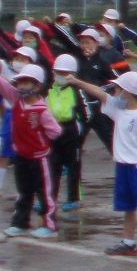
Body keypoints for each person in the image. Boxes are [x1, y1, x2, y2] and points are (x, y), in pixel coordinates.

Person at [72, 70, 137, 259]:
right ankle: (128, 242)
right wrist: (77, 81)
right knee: (128, 206)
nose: (115, 90)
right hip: (123, 166)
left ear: (128, 91)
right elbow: (100, 93)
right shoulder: (119, 108)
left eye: (119, 87)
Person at [0, 58, 61, 238]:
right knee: (23, 192)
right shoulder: (16, 100)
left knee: (45, 193)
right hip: (21, 156)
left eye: (26, 82)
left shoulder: (41, 110)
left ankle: (50, 224)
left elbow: (55, 131)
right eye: (20, 82)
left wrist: (40, 140)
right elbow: (3, 86)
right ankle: (20, 223)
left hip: (39, 158)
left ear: (37, 86)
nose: (21, 86)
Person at [44, 54, 88, 211]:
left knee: (73, 165)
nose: (61, 76)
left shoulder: (77, 91)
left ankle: (74, 198)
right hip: (53, 131)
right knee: (53, 165)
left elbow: (86, 114)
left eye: (65, 73)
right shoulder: (50, 89)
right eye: (58, 72)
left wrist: (79, 134)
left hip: (71, 130)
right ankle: (50, 197)